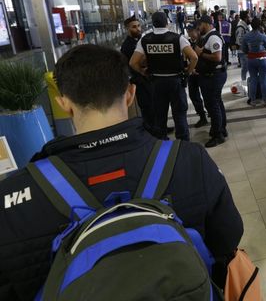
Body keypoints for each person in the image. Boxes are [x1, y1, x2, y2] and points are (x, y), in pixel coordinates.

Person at [0, 45, 243, 300]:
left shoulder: (15, 195)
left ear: (64, 104)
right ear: (130, 94)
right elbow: (228, 239)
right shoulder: (190, 159)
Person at [130, 11, 197, 141]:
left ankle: (162, 145)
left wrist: (143, 72)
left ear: (153, 23)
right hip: (175, 81)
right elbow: (194, 57)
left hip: (156, 82)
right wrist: (187, 72)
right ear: (167, 22)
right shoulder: (178, 38)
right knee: (179, 115)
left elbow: (133, 62)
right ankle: (183, 144)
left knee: (159, 116)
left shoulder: (145, 40)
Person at [194, 15, 228, 148]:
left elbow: (217, 57)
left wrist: (200, 54)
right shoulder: (208, 37)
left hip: (214, 76)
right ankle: (220, 129)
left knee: (213, 105)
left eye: (200, 25)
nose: (198, 28)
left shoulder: (213, 37)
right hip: (211, 75)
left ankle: (217, 135)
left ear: (206, 24)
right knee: (217, 103)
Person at [120, 15, 157, 136]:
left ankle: (159, 127)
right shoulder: (128, 45)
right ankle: (152, 132)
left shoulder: (141, 41)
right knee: (148, 107)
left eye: (138, 26)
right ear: (127, 29)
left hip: (147, 78)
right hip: (140, 80)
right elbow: (139, 62)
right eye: (134, 27)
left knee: (154, 104)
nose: (138, 29)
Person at [243, 17, 266, 106]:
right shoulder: (262, 35)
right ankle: (264, 100)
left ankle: (252, 100)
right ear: (260, 25)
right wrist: (263, 33)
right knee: (263, 80)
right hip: (262, 60)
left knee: (253, 80)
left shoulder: (246, 36)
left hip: (251, 59)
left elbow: (244, 49)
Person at [186, 21, 210, 128]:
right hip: (192, 74)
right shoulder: (186, 42)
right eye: (188, 31)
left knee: (207, 95)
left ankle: (212, 114)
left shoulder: (204, 41)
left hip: (203, 73)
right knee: (194, 95)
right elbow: (185, 57)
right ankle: (202, 116)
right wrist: (190, 68)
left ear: (197, 30)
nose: (190, 33)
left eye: (191, 31)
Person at [234, 11, 251, 81]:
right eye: (248, 17)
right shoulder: (241, 27)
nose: (250, 18)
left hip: (247, 51)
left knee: (247, 67)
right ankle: (244, 82)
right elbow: (239, 41)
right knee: (245, 68)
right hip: (243, 51)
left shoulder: (245, 25)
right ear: (245, 18)